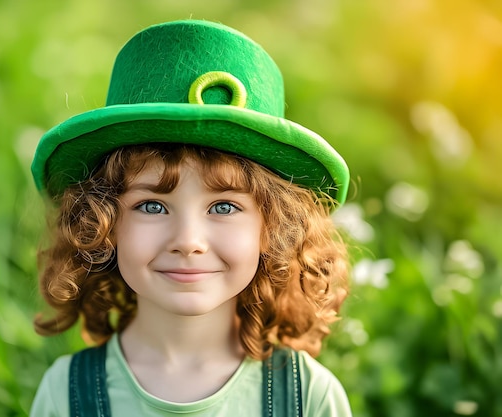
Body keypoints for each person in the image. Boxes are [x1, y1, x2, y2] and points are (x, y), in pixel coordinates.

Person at [29, 19, 352, 417]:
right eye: (152, 206)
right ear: (101, 225)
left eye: (224, 207)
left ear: (274, 229)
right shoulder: (66, 393)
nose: (188, 240)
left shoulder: (308, 397)